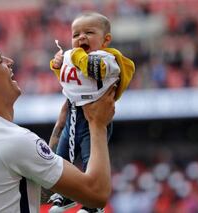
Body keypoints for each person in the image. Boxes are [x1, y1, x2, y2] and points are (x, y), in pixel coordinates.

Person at [0, 35, 116, 213]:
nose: (10, 62)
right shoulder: (11, 140)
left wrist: (60, 128)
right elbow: (96, 193)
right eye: (0, 61)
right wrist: (97, 125)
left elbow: (26, 188)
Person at [48, 12, 135, 213]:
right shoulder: (75, 56)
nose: (81, 38)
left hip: (96, 114)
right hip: (73, 112)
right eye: (76, 34)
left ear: (106, 40)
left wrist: (75, 55)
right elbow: (69, 80)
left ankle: (92, 207)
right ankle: (65, 194)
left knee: (91, 161)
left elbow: (94, 70)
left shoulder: (109, 57)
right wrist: (58, 65)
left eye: (89, 32)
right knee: (62, 158)